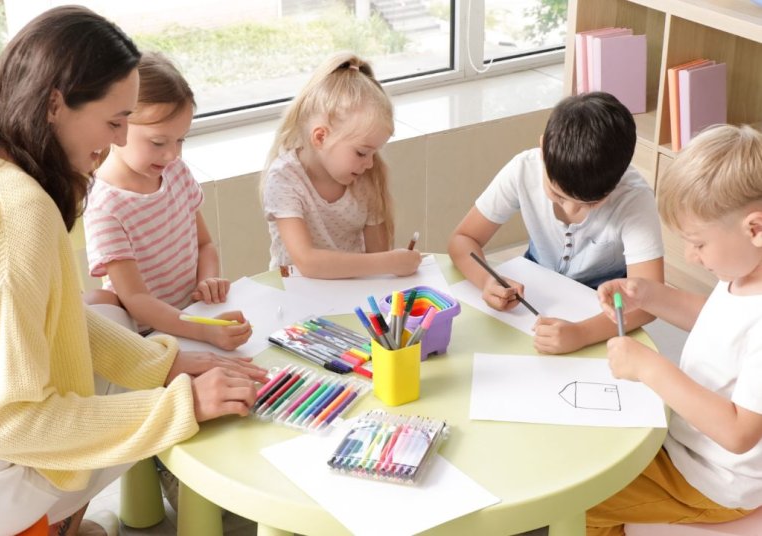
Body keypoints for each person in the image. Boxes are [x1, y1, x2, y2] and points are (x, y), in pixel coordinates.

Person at [0, 7, 268, 536]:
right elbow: (6, 421)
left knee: (109, 319)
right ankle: (40, 523)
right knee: (157, 417)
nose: (118, 141)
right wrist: (180, 405)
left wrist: (166, 363)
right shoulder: (21, 211)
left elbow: (59, 315)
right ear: (54, 104)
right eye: (115, 122)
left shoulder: (2, 167)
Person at [587, 124, 762, 535]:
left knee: (585, 502)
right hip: (683, 446)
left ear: (755, 229)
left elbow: (739, 433)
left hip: (709, 481)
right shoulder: (743, 271)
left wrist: (651, 369)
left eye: (698, 243)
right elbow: (715, 319)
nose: (690, 255)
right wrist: (649, 295)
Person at [448, 91, 665, 354]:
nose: (571, 208)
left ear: (617, 180)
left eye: (590, 203)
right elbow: (463, 240)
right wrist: (486, 281)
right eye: (558, 194)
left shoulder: (634, 200)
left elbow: (650, 302)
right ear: (543, 149)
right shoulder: (524, 169)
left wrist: (582, 334)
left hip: (602, 309)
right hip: (532, 295)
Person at [82, 51, 251, 352]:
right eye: (159, 142)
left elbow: (204, 245)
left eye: (181, 140)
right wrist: (204, 331)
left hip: (195, 320)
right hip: (151, 340)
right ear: (117, 126)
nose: (173, 155)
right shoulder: (105, 206)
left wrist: (208, 281)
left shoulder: (176, 172)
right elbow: (136, 302)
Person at [261, 52, 421, 279]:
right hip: (295, 294)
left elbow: (377, 255)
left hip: (350, 293)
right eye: (362, 152)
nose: (370, 162)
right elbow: (308, 262)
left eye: (375, 152)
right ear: (320, 137)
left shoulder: (366, 177)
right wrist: (389, 261)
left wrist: (392, 263)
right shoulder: (285, 178)